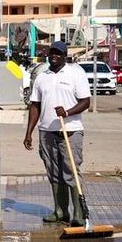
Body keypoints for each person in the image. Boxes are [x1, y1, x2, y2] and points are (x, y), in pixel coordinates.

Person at [23, 41, 91, 226]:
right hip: (47, 131)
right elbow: (35, 105)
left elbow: (86, 102)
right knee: (53, 172)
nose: (54, 56)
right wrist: (29, 132)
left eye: (58, 53)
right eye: (52, 52)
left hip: (70, 130)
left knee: (72, 172)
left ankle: (78, 213)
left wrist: (67, 112)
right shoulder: (41, 76)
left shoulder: (76, 73)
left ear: (65, 55)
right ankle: (60, 211)